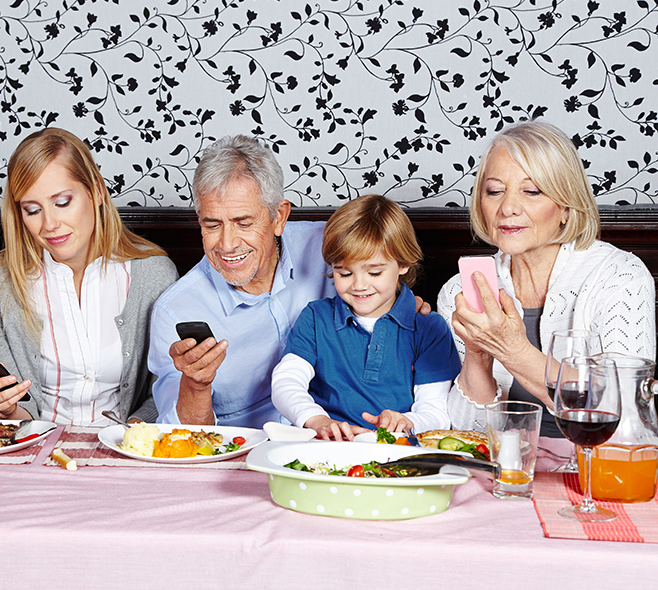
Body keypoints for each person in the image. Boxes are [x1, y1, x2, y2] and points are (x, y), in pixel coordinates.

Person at [437, 120, 656, 435]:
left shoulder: (620, 276)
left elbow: (624, 413)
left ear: (566, 205)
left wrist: (512, 349)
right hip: (509, 467)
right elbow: (468, 431)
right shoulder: (460, 289)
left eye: (532, 191)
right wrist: (478, 352)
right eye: (494, 191)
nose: (508, 207)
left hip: (595, 465)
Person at [0, 127, 177, 425]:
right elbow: (15, 416)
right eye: (32, 210)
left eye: (62, 202)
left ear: (96, 191)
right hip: (34, 449)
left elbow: (166, 389)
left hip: (125, 448)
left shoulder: (154, 274)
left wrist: (130, 435)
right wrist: (5, 410)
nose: (50, 224)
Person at [147, 135, 336, 427]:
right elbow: (183, 436)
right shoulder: (175, 311)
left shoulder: (330, 248)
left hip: (344, 439)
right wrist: (196, 384)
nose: (227, 244)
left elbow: (387, 282)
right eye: (212, 224)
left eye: (243, 223)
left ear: (279, 216)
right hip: (245, 455)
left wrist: (400, 304)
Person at [271, 195, 458, 440]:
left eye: (374, 272)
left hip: (397, 454)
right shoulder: (316, 318)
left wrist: (407, 422)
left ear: (403, 264)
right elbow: (286, 381)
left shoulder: (429, 328)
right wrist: (315, 419)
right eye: (345, 273)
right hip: (326, 451)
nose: (359, 285)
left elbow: (436, 410)